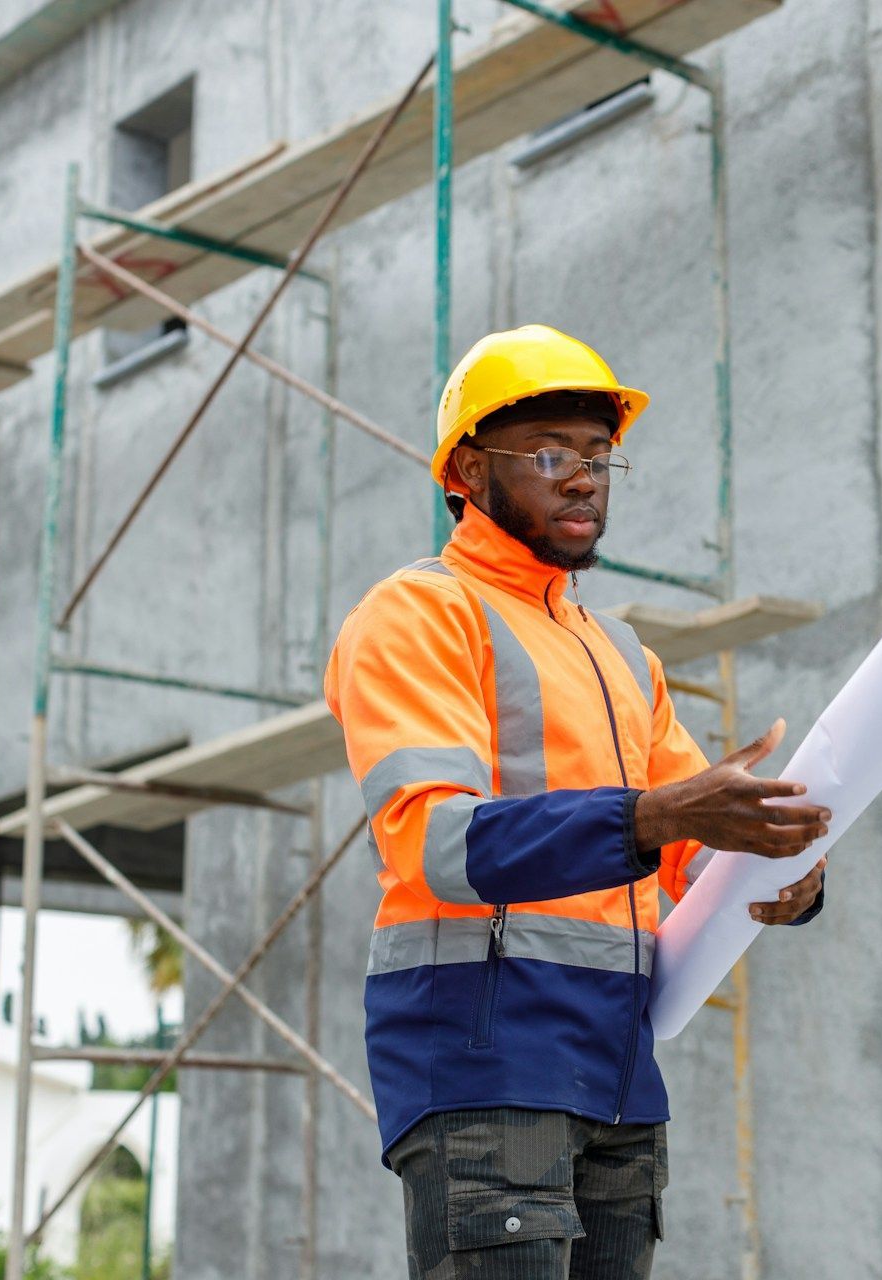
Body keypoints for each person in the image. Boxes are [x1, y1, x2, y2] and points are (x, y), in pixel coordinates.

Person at [325, 324, 828, 1278]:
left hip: (618, 1069)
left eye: (599, 457)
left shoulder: (620, 653)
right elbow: (438, 843)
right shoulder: (418, 613)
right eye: (550, 453)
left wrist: (783, 866)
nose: (584, 478)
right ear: (468, 470)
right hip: (485, 1057)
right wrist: (661, 817)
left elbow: (696, 847)